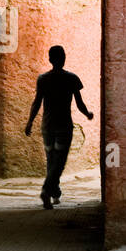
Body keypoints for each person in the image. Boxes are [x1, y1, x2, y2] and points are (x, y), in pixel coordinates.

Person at [25, 45, 94, 209]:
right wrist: (87, 114)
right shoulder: (72, 78)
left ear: (50, 60)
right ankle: (46, 190)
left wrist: (30, 122)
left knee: (51, 160)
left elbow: (37, 103)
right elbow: (79, 103)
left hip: (47, 126)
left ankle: (54, 192)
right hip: (64, 126)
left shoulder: (43, 79)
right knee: (59, 161)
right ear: (64, 58)